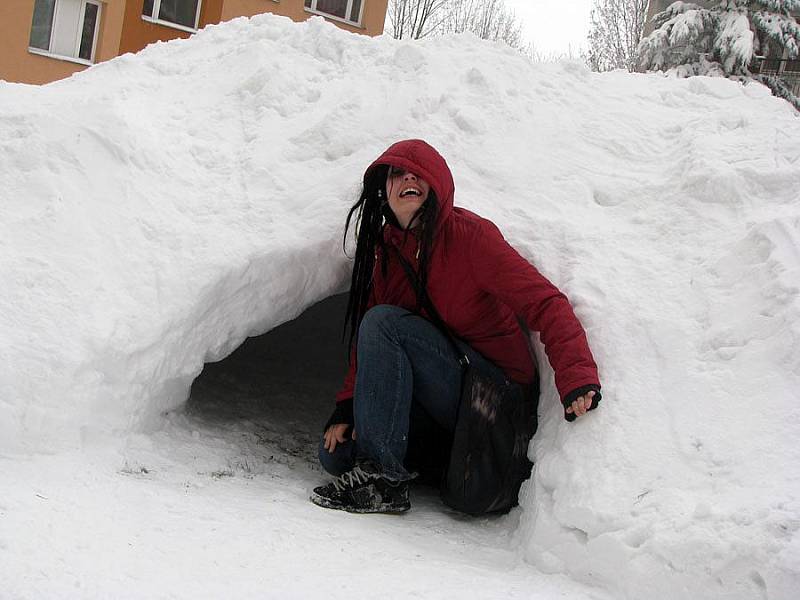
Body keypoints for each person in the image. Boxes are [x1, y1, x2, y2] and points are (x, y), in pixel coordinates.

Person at [310, 139, 601, 514]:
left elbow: (545, 302)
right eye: (397, 174)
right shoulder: (386, 250)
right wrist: (348, 408)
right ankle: (412, 463)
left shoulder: (470, 238)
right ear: (384, 190)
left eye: (419, 174)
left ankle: (384, 480)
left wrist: (576, 375)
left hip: (494, 397)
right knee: (336, 455)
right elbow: (371, 347)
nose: (408, 179)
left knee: (385, 323)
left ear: (437, 186)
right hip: (442, 397)